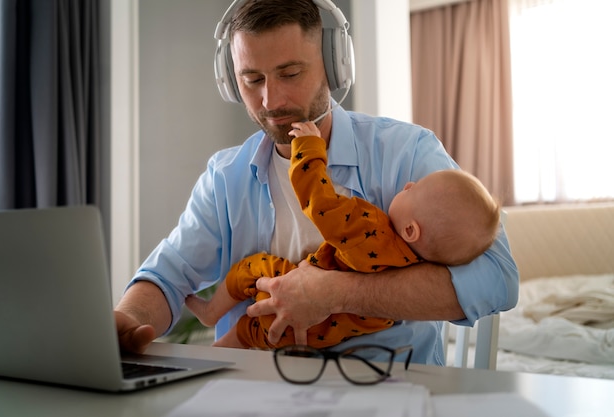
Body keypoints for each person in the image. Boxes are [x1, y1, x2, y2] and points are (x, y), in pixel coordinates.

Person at [114, 0, 518, 365]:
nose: (271, 101)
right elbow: (165, 277)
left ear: (334, 63)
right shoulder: (224, 178)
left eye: (290, 73)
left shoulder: (406, 151)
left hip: (390, 388)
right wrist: (127, 321)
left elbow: (497, 278)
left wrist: (338, 292)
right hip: (255, 393)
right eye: (252, 80)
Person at [185, 120, 501, 349]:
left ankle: (212, 313)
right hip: (316, 336)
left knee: (251, 268)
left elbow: (319, 202)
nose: (408, 185)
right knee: (250, 333)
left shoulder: (371, 232)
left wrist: (309, 147)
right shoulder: (412, 274)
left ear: (410, 230)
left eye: (414, 190)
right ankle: (223, 346)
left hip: (285, 293)